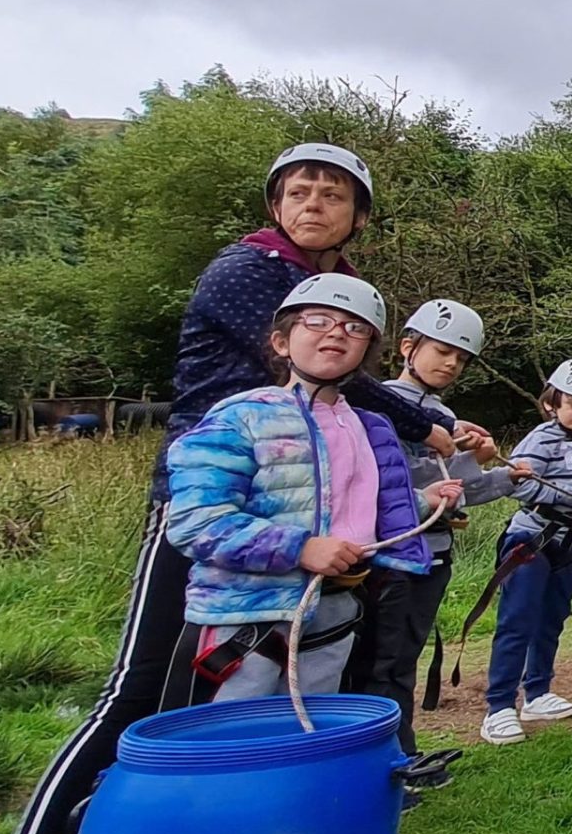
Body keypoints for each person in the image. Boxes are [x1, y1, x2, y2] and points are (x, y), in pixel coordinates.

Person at [0, 141, 450, 834]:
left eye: (333, 193)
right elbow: (345, 369)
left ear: (358, 217)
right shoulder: (252, 272)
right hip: (218, 514)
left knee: (300, 715)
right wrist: (428, 418)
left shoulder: (337, 348)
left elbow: (356, 405)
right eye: (299, 189)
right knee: (141, 703)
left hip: (318, 546)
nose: (313, 201)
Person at [167, 275, 460, 702]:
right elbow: (196, 522)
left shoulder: (370, 426)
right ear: (282, 342)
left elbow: (360, 504)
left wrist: (423, 501)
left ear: (365, 352)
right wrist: (299, 548)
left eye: (355, 328)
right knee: (240, 749)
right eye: (317, 320)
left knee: (313, 741)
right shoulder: (241, 418)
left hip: (338, 614)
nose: (337, 333)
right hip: (253, 618)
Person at [353, 299, 533, 754]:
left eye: (461, 358)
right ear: (408, 347)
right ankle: (388, 761)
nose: (452, 363)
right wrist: (430, 493)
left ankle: (400, 754)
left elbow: (455, 491)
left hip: (434, 552)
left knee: (403, 660)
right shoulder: (376, 405)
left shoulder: (443, 415)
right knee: (383, 664)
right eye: (442, 351)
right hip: (390, 555)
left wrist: (501, 476)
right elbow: (376, 484)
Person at [481, 360, 572, 745]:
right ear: (552, 402)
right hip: (531, 542)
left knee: (551, 622)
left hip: (570, 545)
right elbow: (518, 486)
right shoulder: (540, 439)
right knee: (517, 622)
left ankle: (537, 694)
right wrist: (571, 500)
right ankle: (499, 707)